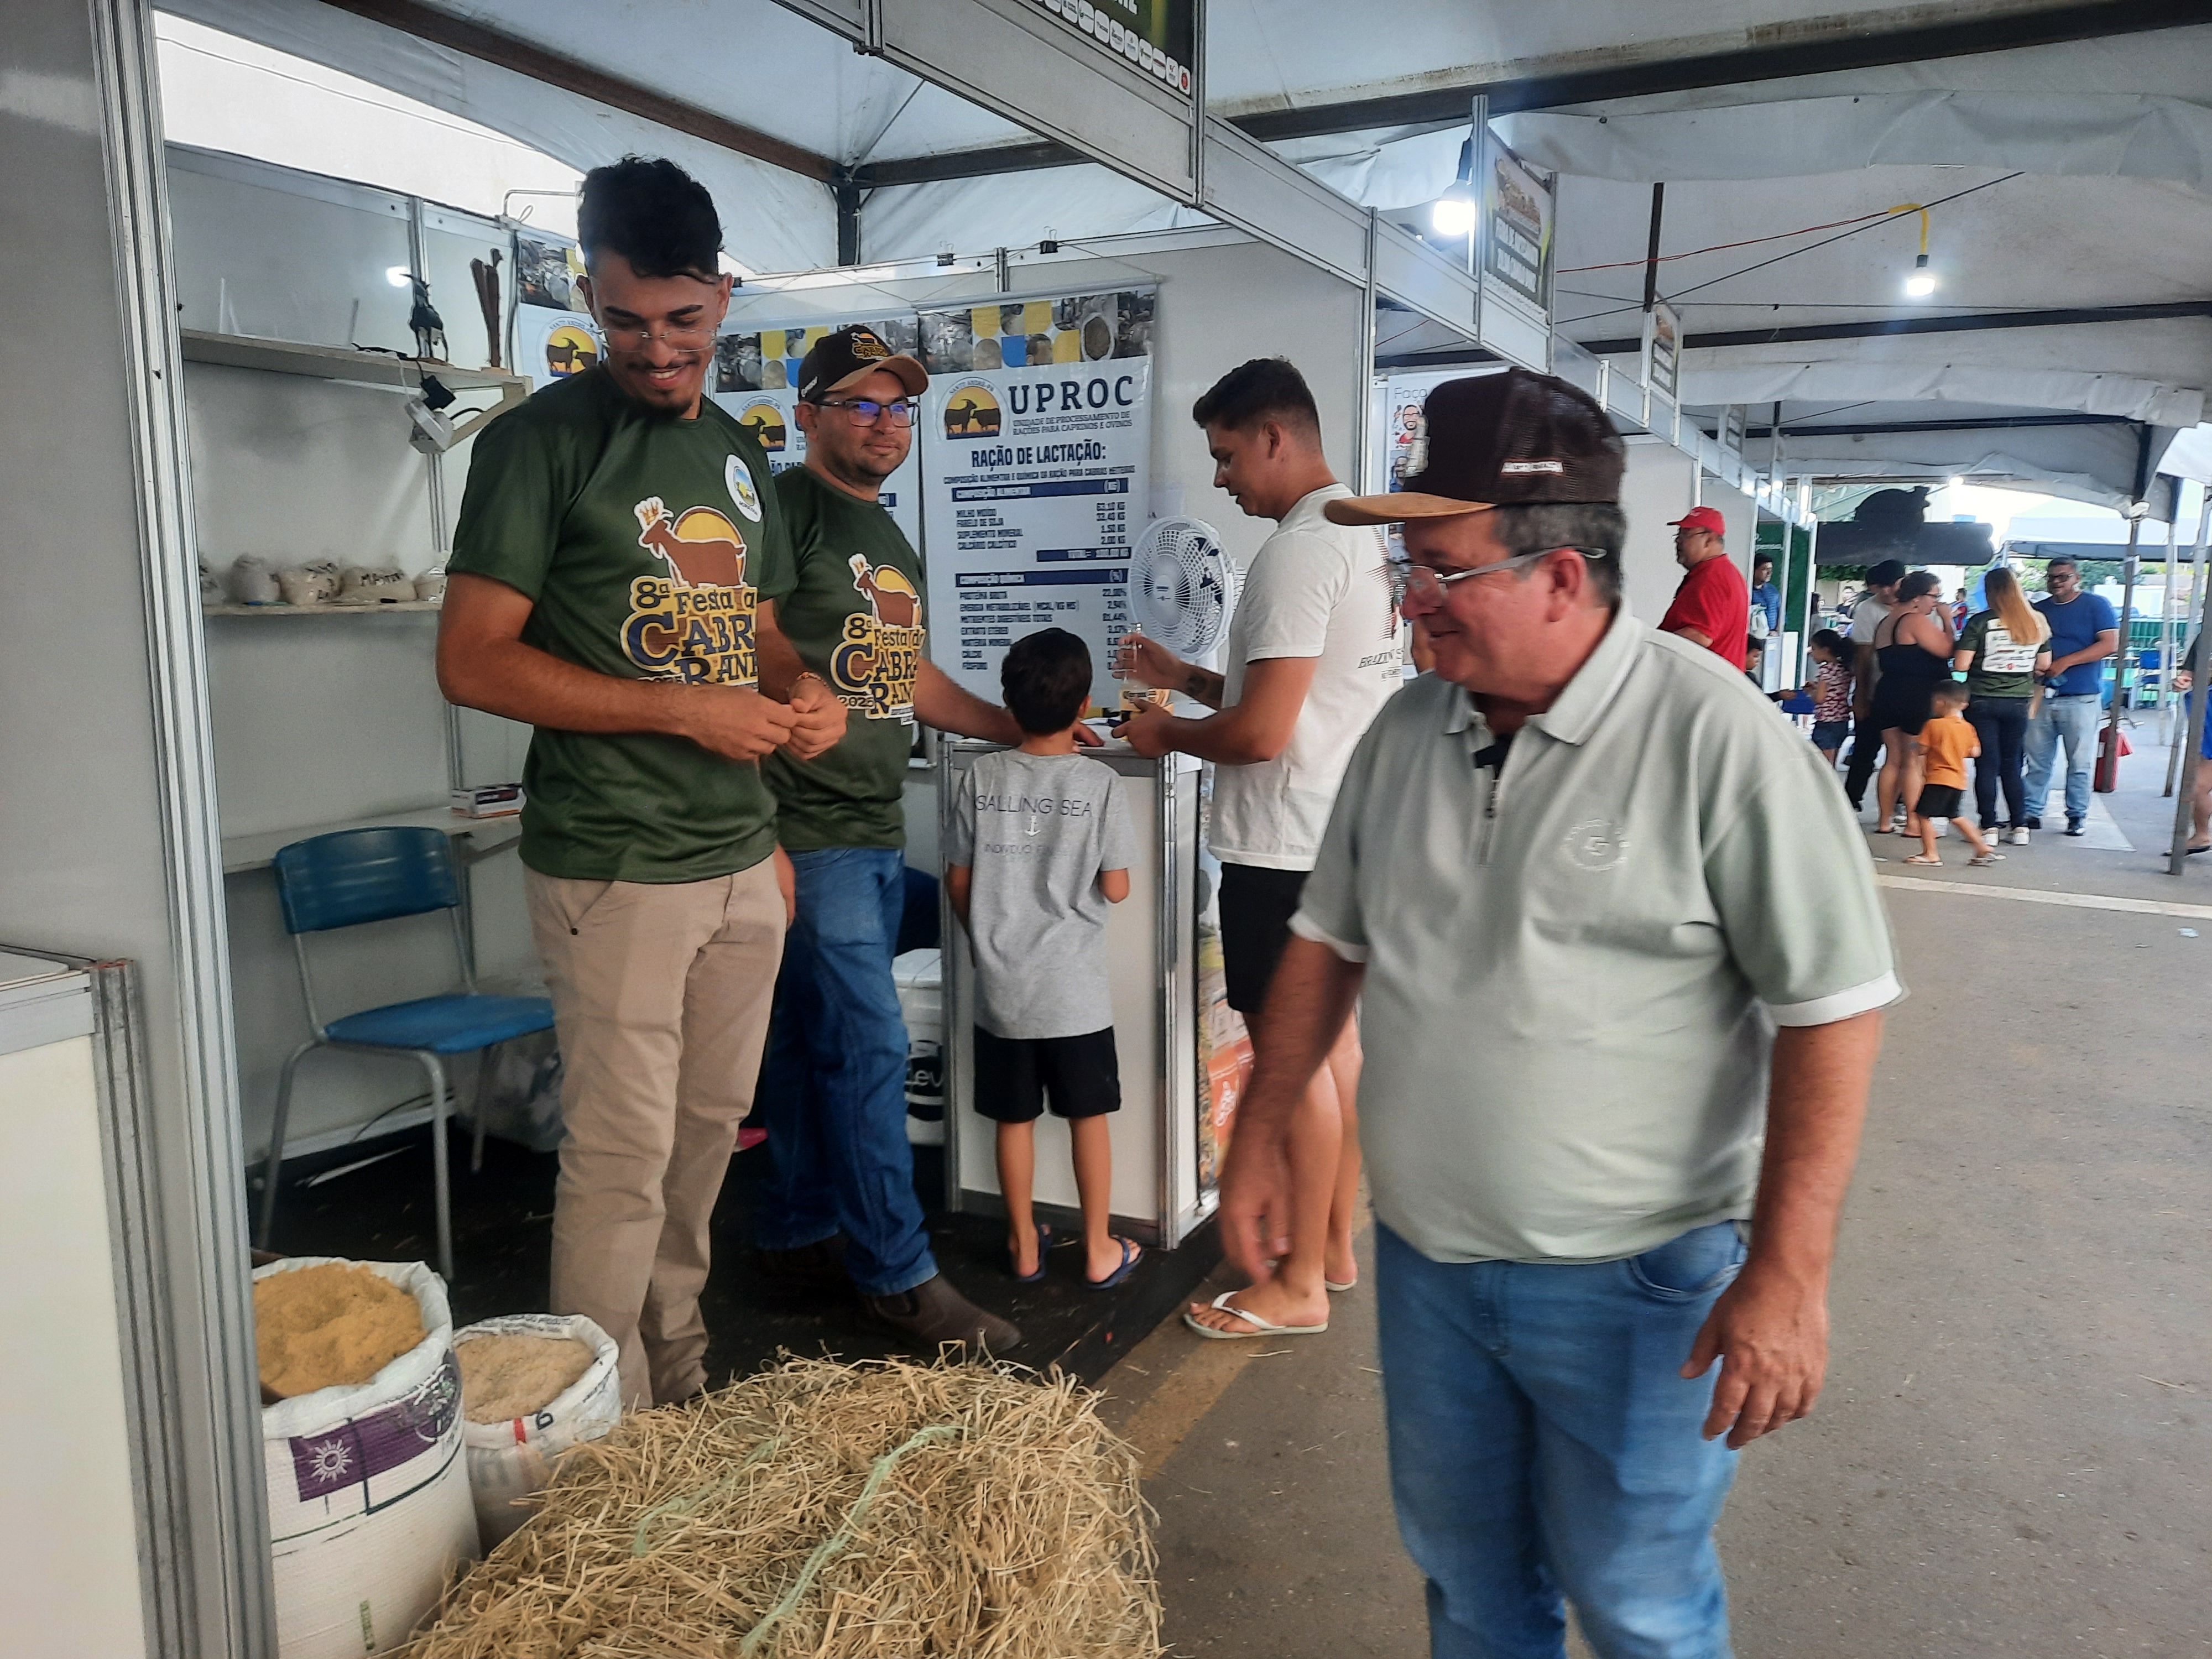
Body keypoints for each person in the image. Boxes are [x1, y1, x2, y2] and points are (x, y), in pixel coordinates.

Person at [1230, 367, 1895, 1656]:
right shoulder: (1406, 730)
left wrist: (1788, 1273)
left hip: (1639, 1282)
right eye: (1404, 574)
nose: (1409, 605)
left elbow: (1830, 1008)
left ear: (1561, 576)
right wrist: (1263, 1124)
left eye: (1440, 572)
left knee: (1636, 1600)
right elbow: (1327, 936)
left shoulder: (1719, 741)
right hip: (1430, 1267)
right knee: (1470, 1585)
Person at [434, 156, 849, 1407]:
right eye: (623, 320)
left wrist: (803, 691)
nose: (655, 350)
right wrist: (682, 708)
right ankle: (582, 1447)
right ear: (587, 291)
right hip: (613, 863)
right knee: (618, 1161)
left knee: (703, 1141)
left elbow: (758, 627)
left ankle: (675, 1388)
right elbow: (468, 660)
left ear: (723, 297)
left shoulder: (733, 449)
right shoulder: (537, 444)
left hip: (737, 856)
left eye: (680, 320)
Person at [750, 323, 1052, 1355]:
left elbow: (905, 678)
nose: (884, 424)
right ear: (808, 416)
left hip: (873, 825)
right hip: (811, 829)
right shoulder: (788, 507)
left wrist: (1019, 729)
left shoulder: (887, 535)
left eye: (898, 407)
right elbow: (753, 633)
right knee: (872, 1050)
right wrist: (767, 830)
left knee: (800, 1049)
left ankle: (796, 1233)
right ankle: (897, 1273)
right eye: (860, 404)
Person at [1115, 356, 1400, 1338]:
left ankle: (1295, 1292)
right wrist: (1188, 676)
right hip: (1343, 835)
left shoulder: (1293, 555)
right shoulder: (1363, 537)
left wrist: (1163, 732)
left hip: (1283, 851)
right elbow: (1299, 702)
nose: (1224, 477)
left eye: (1229, 455)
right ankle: (1332, 1251)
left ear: (1278, 437)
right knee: (1340, 1051)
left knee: (1300, 1060)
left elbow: (1260, 736)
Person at [945, 629, 1144, 1288]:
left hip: (1003, 989)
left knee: (1013, 1119)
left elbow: (960, 882)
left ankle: (1025, 1244)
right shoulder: (1101, 784)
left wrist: (985, 943)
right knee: (1088, 1117)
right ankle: (1095, 1249)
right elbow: (1115, 886)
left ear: (1007, 700)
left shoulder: (980, 776)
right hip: (1074, 992)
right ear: (1086, 707)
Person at [1952, 566, 2052, 846]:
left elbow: (1961, 665)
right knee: (2012, 764)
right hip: (2019, 701)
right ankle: (2020, 826)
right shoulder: (2037, 621)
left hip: (1982, 699)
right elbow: (2044, 665)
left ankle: (1989, 826)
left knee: (1987, 764)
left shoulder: (1981, 622)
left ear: (1990, 592)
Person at [2022, 556, 2120, 837]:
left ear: (2076, 578)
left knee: (2080, 762)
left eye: (2063, 577)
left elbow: (2109, 644)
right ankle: (2031, 811)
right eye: (2052, 577)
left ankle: (2077, 814)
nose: (2056, 582)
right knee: (2037, 759)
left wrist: (2067, 662)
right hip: (2042, 691)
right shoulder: (2037, 610)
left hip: (2081, 694)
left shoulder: (2096, 605)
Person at [1869, 571, 1953, 835]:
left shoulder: (1885, 622)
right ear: (1918, 598)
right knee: (1913, 760)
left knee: (1892, 758)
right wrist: (1948, 622)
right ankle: (1914, 823)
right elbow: (1946, 649)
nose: (1936, 604)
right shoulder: (1916, 620)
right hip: (1916, 694)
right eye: (1934, 597)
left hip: (1888, 691)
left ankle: (1885, 820)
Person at [1906, 684, 2002, 867]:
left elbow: (1923, 750)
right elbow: (1975, 752)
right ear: (1963, 705)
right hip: (1958, 778)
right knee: (1954, 815)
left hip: (1938, 777)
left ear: (1940, 702)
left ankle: (1930, 853)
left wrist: (1916, 745)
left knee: (1923, 815)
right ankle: (1981, 846)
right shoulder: (1968, 727)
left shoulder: (1933, 725)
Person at [1843, 559, 1909, 813]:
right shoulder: (1868, 609)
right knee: (1865, 747)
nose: (1885, 593)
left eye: (1890, 586)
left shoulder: (1925, 605)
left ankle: (1904, 801)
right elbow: (1863, 655)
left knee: (1908, 751)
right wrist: (1861, 696)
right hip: (1876, 688)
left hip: (1911, 691)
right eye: (1878, 588)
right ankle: (1850, 799)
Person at [1658, 504, 1748, 667]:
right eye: (1678, 534)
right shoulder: (1722, 572)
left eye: (1686, 535)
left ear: (1709, 539)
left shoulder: (1713, 577)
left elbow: (1699, 636)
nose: (1678, 540)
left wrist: (1651, 647)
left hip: (1703, 685)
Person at [1805, 628, 1854, 768]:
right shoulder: (1845, 668)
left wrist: (1810, 692)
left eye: (1814, 648)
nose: (1811, 652)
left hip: (1826, 721)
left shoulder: (1825, 670)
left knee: (1822, 766)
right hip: (1841, 721)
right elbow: (1835, 690)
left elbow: (1820, 698)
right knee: (1832, 764)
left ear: (1826, 650)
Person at [1751, 551, 1782, 639]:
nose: (1769, 573)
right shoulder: (1748, 591)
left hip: (1772, 637)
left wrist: (1776, 631)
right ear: (1754, 570)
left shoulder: (1773, 591)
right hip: (1753, 637)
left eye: (1770, 569)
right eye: (1764, 569)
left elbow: (1780, 612)